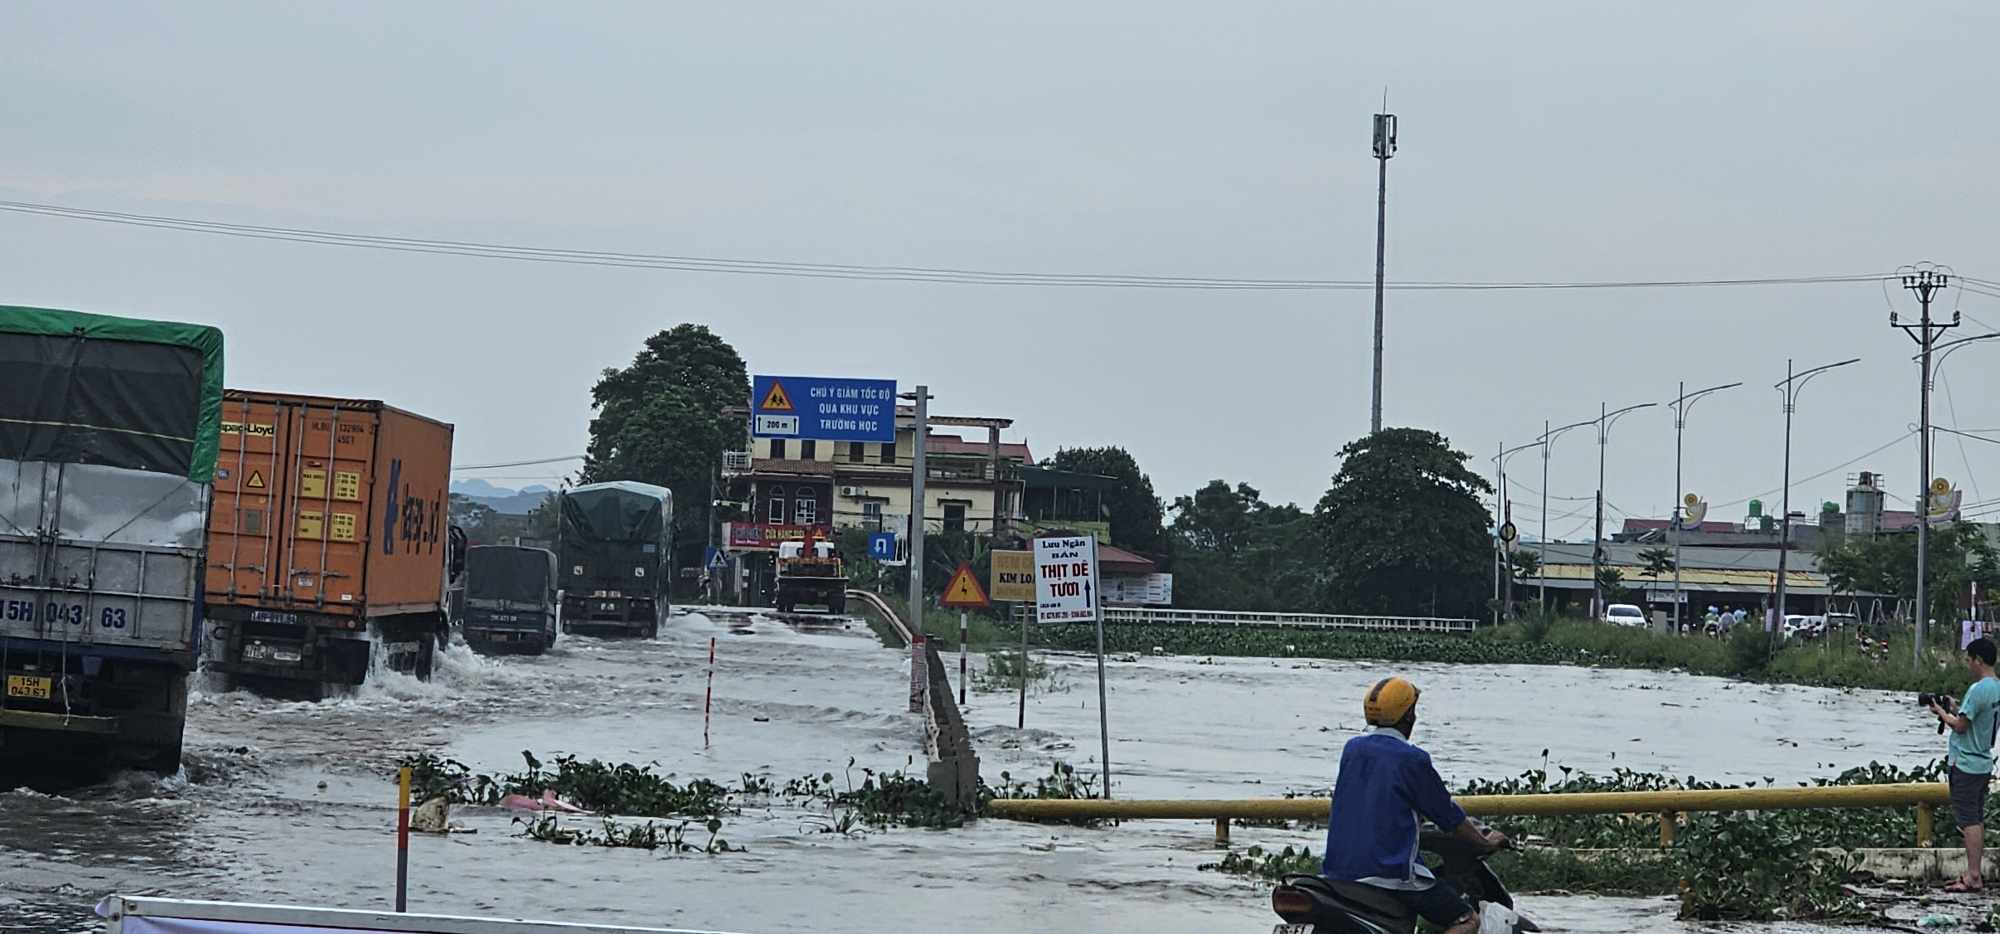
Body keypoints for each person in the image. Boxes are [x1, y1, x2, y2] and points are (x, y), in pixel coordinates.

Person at [1323, 676, 1507, 934]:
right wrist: (1485, 842)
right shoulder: (1412, 759)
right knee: (1467, 920)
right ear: (1408, 716)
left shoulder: (1352, 749)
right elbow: (1449, 817)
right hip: (1390, 875)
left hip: (1337, 874)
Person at [1931, 637, 2000, 893]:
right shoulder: (1996, 688)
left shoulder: (1978, 689)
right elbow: (1972, 719)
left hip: (1967, 763)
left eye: (1969, 660)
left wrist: (1941, 713)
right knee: (1977, 818)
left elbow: (1960, 726)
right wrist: (1957, 709)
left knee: (1968, 820)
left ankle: (1973, 876)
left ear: (1979, 660)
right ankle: (1974, 873)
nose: (1968, 664)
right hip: (1983, 762)